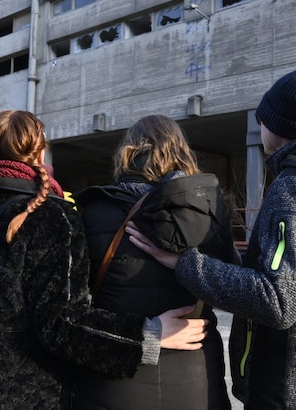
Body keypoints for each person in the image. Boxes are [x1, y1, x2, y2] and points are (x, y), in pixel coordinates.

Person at [127, 67, 296, 409]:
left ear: (276, 125)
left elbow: (278, 301)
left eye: (261, 119)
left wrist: (183, 263)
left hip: (292, 393)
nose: (259, 127)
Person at [0, 110, 208, 409]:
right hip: (31, 396)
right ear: (39, 151)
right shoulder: (51, 216)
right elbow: (62, 324)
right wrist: (147, 335)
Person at [72, 115, 236, 410]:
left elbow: (75, 313)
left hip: (114, 382)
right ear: (181, 152)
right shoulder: (211, 212)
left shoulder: (96, 211)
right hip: (198, 382)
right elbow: (235, 285)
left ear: (128, 153)